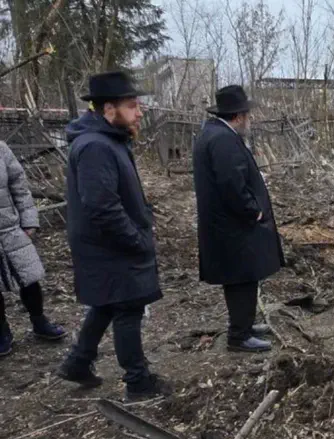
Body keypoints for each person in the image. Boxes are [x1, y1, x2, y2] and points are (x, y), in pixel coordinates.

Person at [56, 70, 171, 399]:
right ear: (109, 109)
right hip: (111, 245)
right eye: (132, 105)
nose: (140, 111)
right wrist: (135, 239)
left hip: (105, 245)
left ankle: (78, 362)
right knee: (128, 308)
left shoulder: (106, 140)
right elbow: (102, 206)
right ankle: (138, 382)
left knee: (107, 304)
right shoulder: (95, 147)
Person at [193, 85, 285, 353]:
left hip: (226, 225)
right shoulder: (222, 140)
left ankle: (243, 325)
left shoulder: (214, 134)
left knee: (242, 278)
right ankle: (239, 336)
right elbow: (231, 183)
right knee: (242, 278)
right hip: (234, 226)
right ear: (237, 116)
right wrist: (252, 210)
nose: (249, 119)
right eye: (247, 114)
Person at [0, 143, 66, 356]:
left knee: (28, 278)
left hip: (10, 228)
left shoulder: (0, 149)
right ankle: (2, 332)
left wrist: (29, 221)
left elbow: (19, 185)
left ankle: (39, 321)